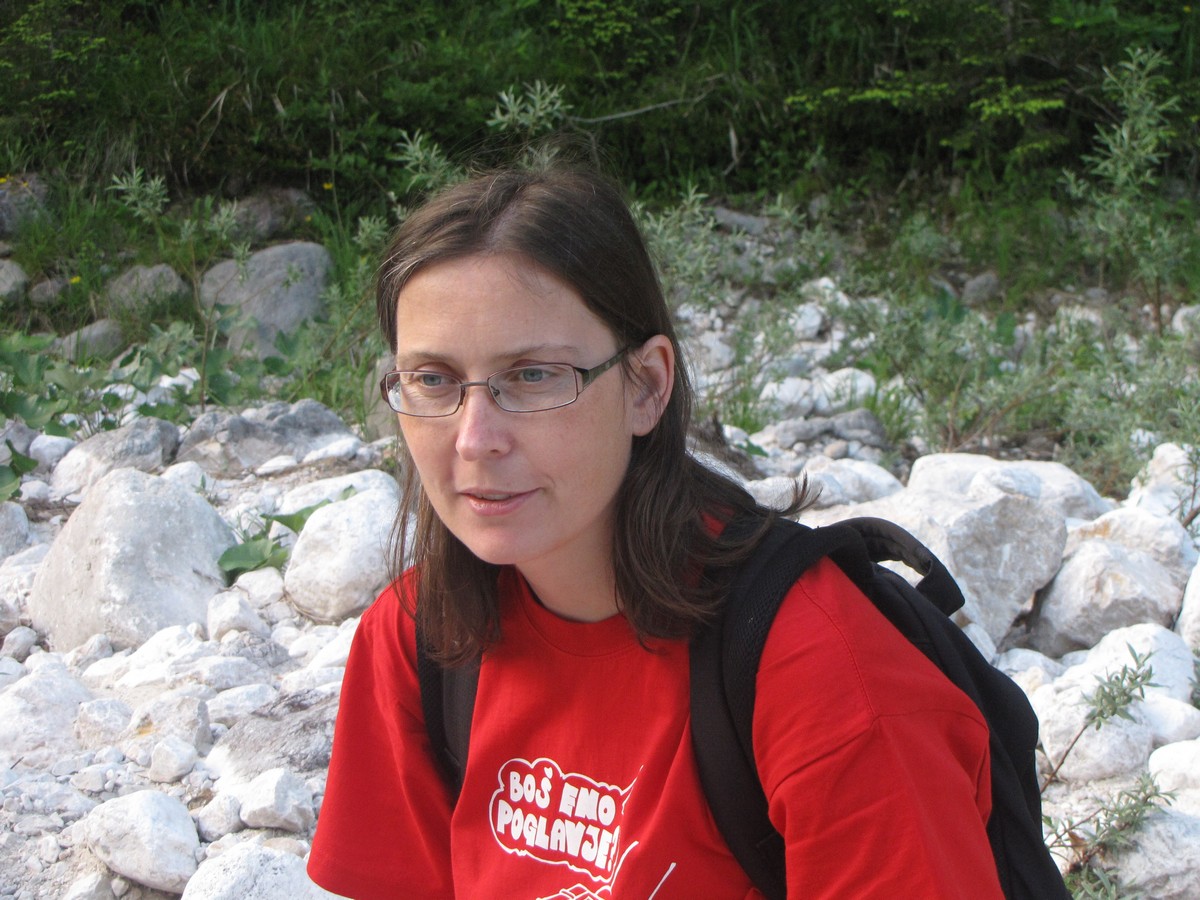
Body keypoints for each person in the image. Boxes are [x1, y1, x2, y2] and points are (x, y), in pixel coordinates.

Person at [306, 165, 1004, 899]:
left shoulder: (822, 671)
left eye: (534, 376)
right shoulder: (420, 636)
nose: (475, 439)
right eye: (433, 379)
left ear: (646, 386)